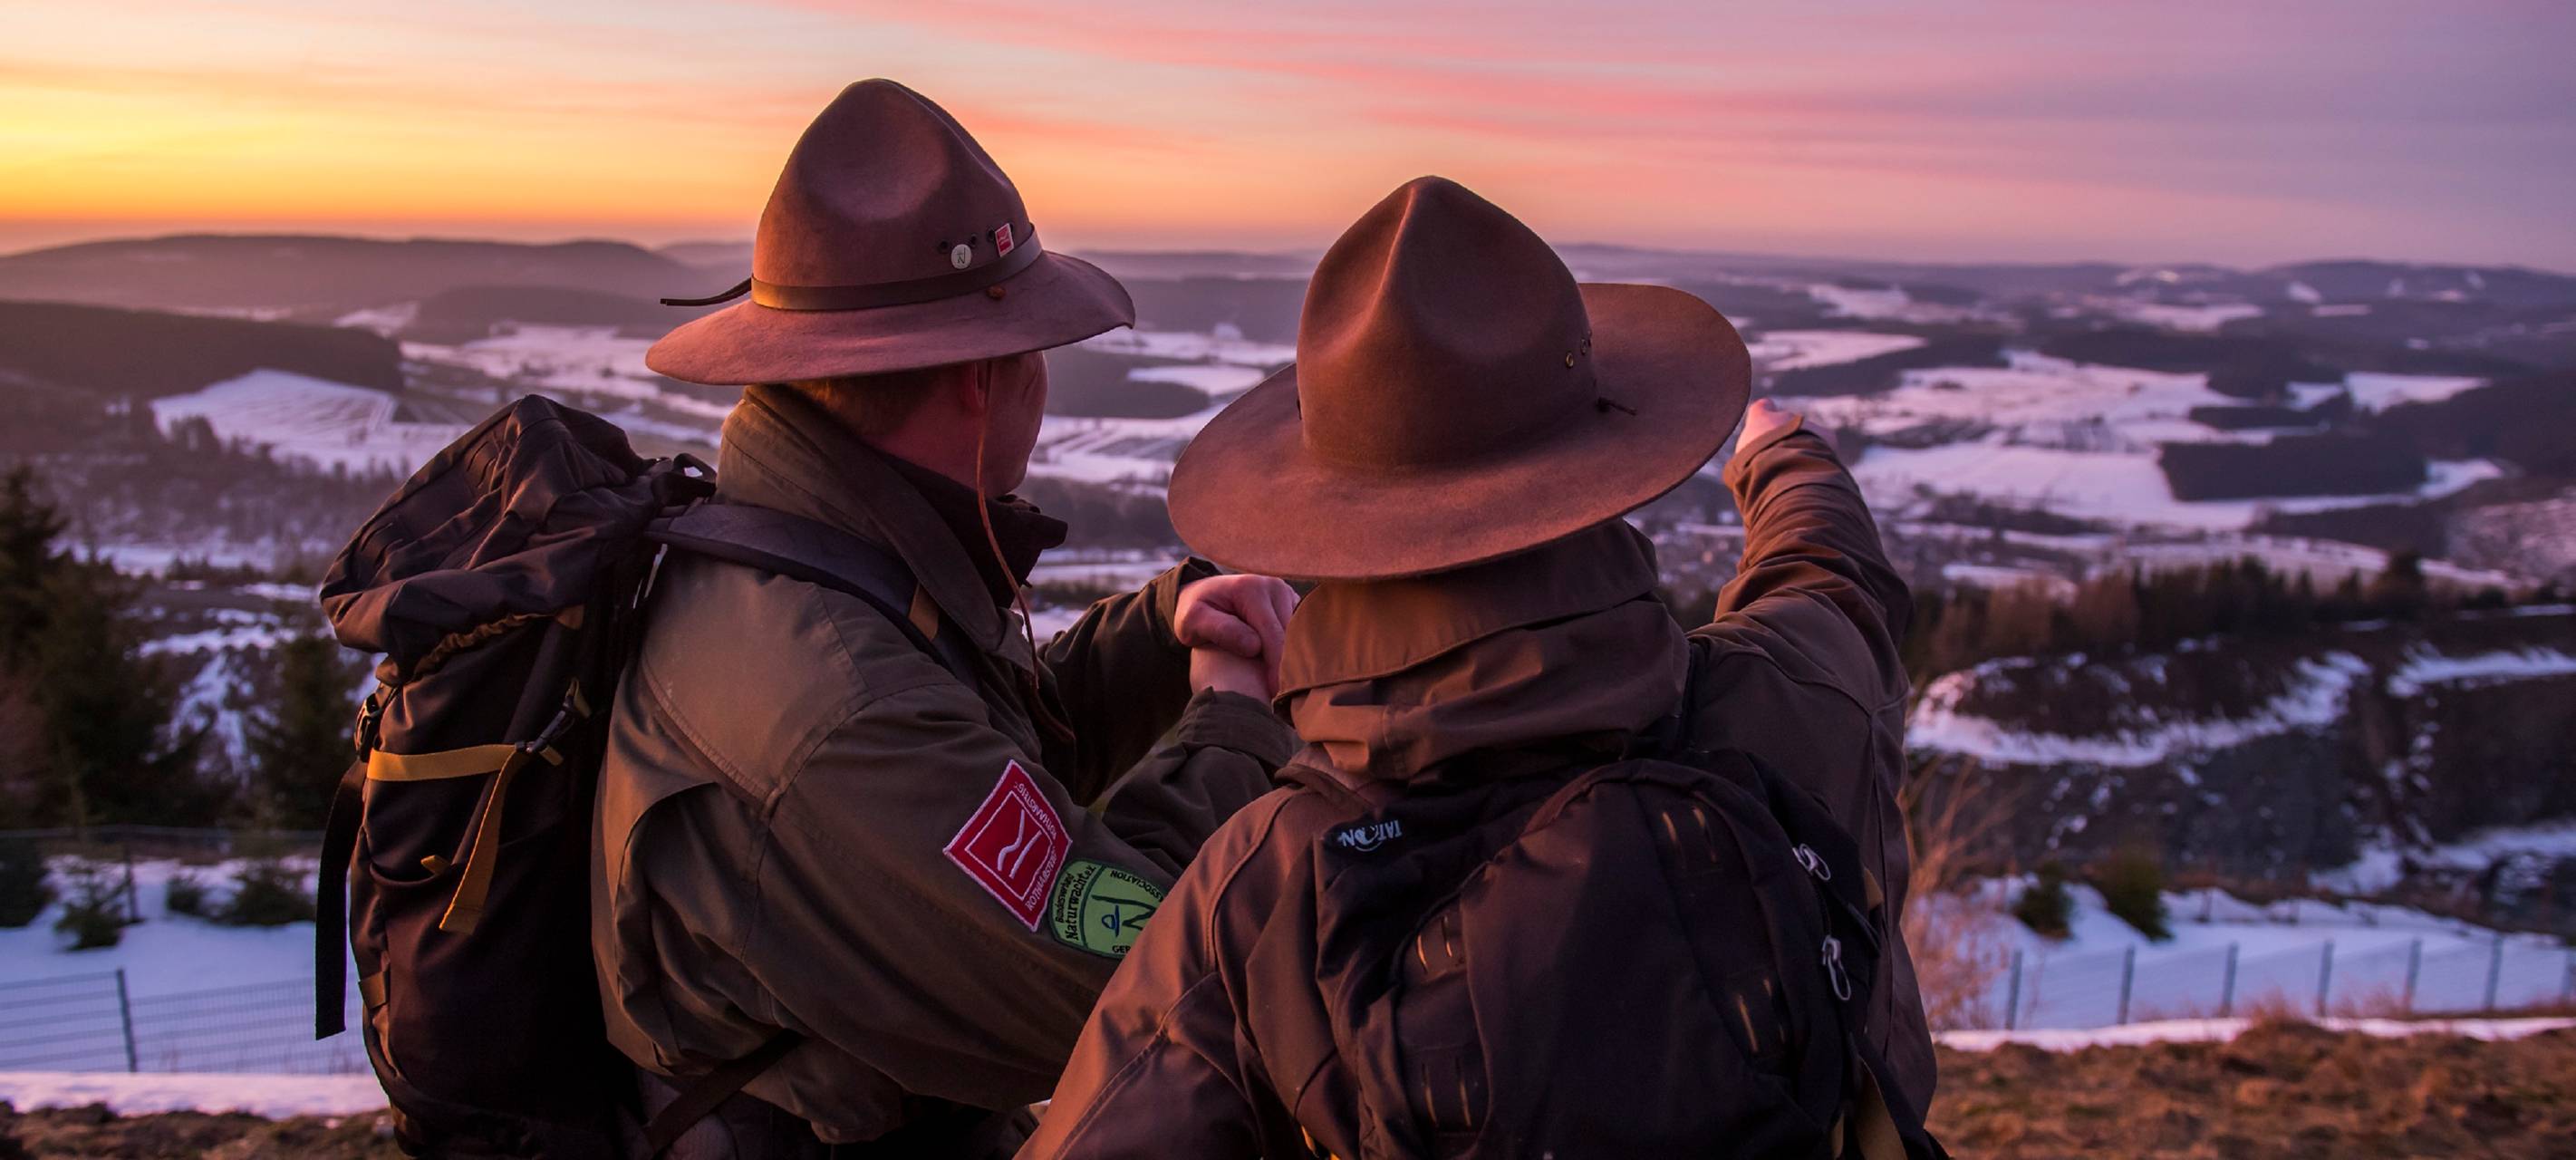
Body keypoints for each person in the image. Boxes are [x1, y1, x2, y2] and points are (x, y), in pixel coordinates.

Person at [1019, 177, 1937, 1158]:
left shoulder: (1262, 881)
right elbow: (1836, 587)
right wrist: (1787, 458)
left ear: (1331, 509)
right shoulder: (1789, 705)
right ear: (1596, 458)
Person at [593, 80, 1300, 1158]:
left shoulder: (806, 558)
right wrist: (1235, 721)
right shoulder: (840, 713)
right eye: (1037, 348)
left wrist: (1162, 631)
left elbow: (973, 762)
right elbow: (1142, 969)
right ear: (981, 376)